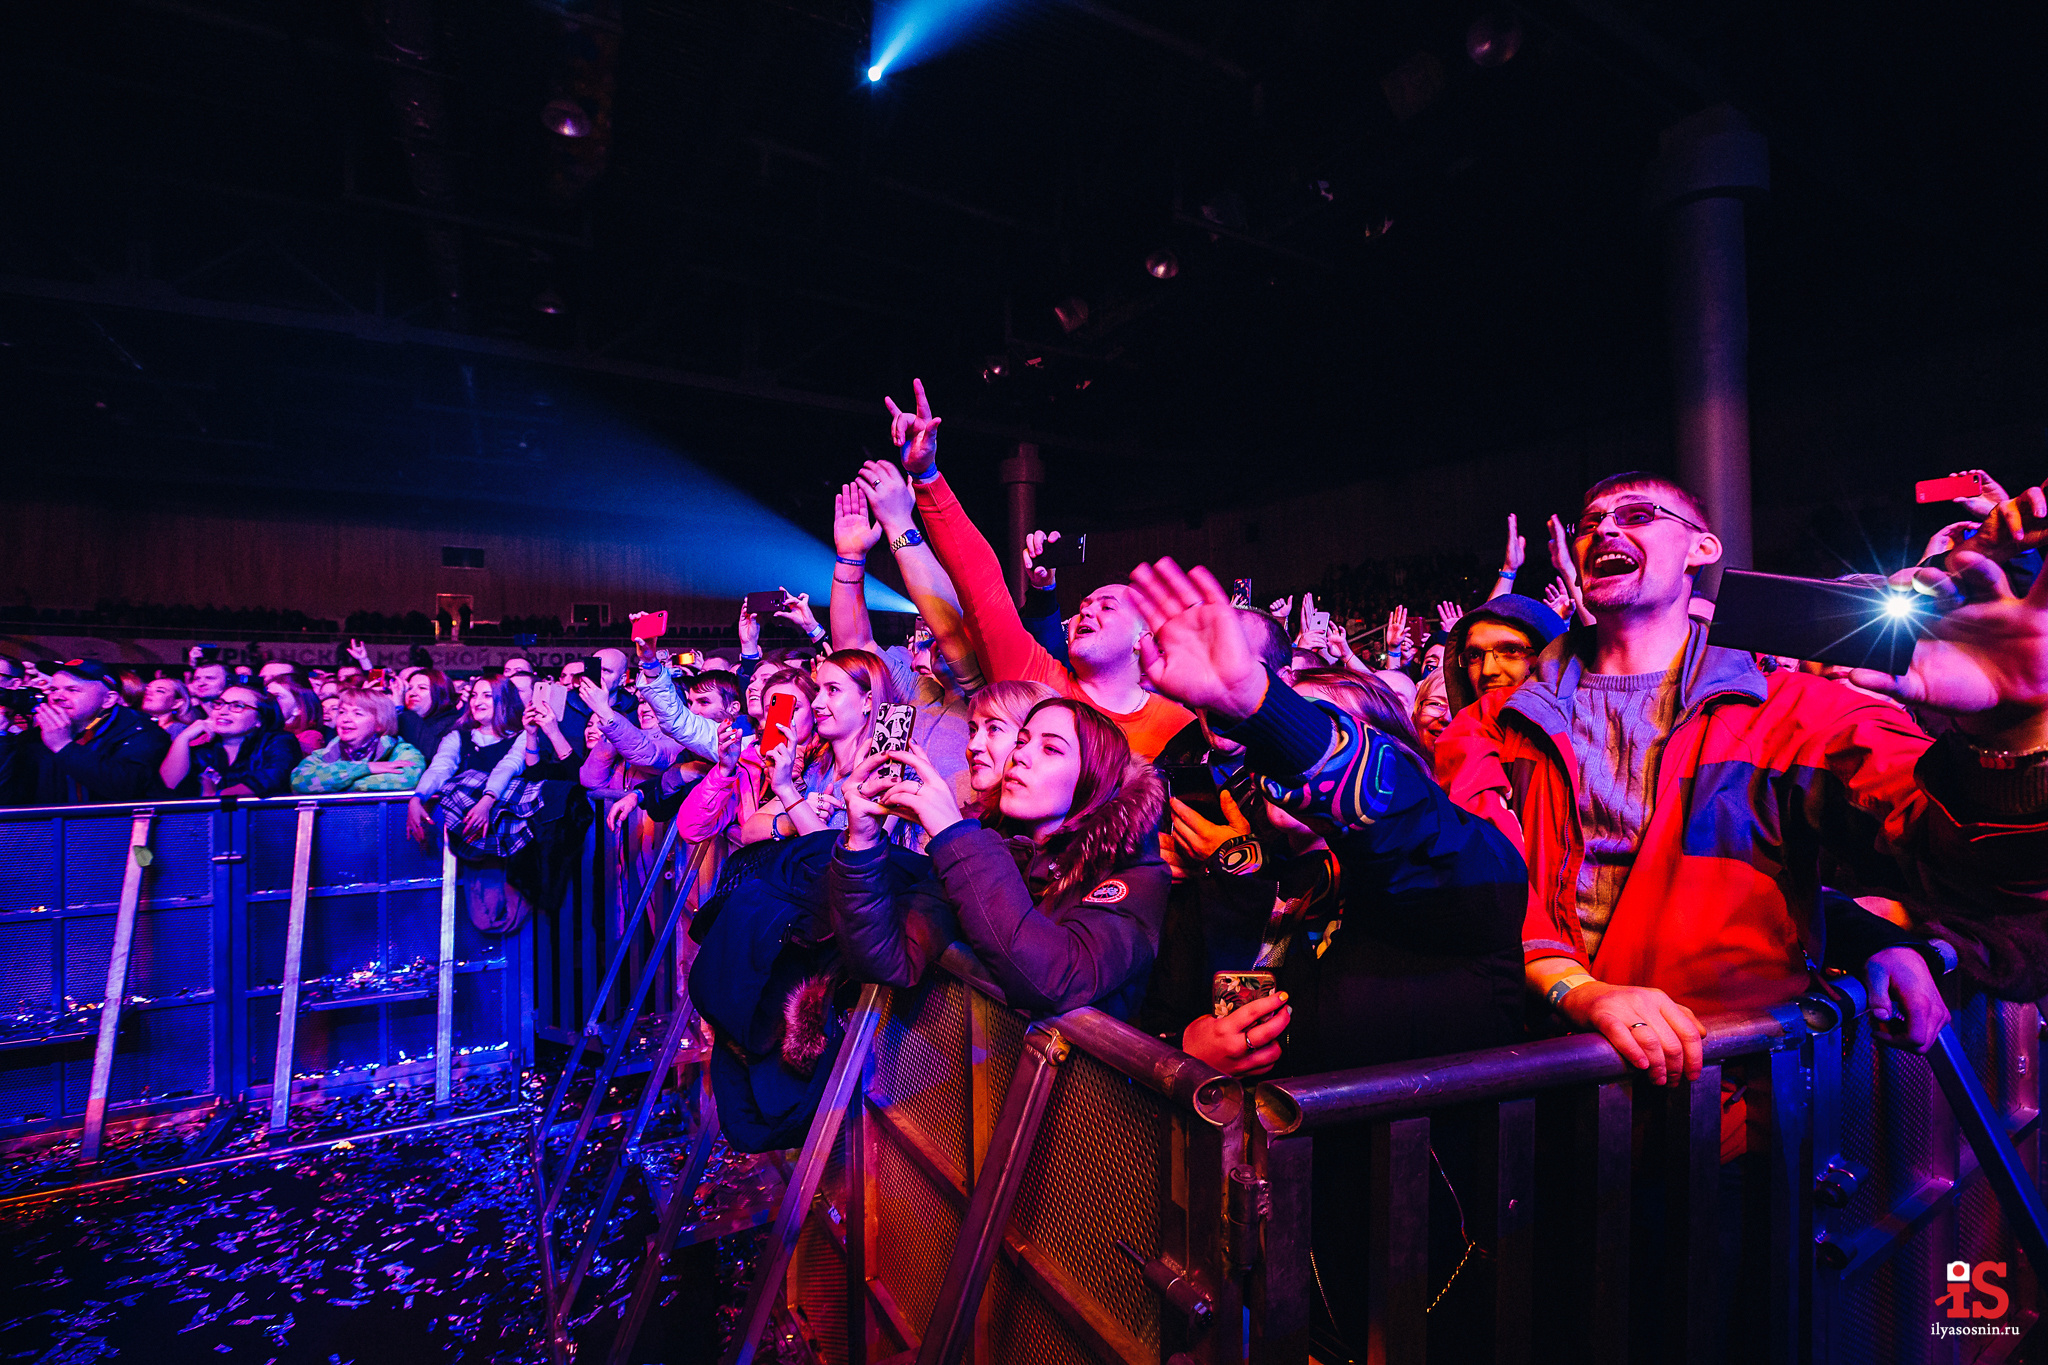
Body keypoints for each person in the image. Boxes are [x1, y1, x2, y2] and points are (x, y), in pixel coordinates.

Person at [1435, 472, 2048, 1113]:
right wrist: (1572, 988)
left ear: (1702, 549)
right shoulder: (1494, 723)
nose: (1606, 529)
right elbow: (1480, 884)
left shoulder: (1796, 713)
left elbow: (1976, 868)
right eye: (1591, 523)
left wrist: (2013, 731)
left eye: (1638, 515)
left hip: (1724, 1107)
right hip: (1540, 1096)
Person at [877, 380, 1194, 760]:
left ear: (1142, 639)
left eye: (1107, 606)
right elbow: (980, 584)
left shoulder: (1182, 728)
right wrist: (927, 476)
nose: (1086, 612)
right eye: (1084, 606)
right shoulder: (1040, 687)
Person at [830, 696, 1169, 1019]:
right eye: (1021, 741)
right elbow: (886, 961)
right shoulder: (993, 844)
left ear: (1094, 779)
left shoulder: (1136, 872)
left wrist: (955, 835)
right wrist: (862, 840)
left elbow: (1054, 980)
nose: (1019, 755)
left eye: (1051, 748)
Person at [827, 478, 974, 798]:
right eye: (931, 638)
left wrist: (899, 523)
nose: (936, 641)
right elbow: (855, 650)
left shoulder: (988, 696)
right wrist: (850, 558)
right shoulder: (920, 691)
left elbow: (952, 627)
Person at [743, 651, 896, 844]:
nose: (816, 703)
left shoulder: (888, 771)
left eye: (833, 690)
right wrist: (793, 821)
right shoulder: (816, 766)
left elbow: (853, 856)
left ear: (868, 701)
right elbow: (748, 832)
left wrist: (788, 793)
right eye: (818, 691)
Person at [0, 660, 173, 806]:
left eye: (72, 690)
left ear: (108, 699)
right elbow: (8, 798)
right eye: (53, 690)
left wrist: (63, 746)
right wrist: (2, 738)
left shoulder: (141, 732)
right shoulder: (38, 736)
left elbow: (127, 787)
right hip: (49, 832)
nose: (57, 696)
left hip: (112, 832)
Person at [407, 676, 528, 852]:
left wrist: (487, 801)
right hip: (466, 827)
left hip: (508, 827)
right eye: (474, 695)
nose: (477, 702)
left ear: (505, 700)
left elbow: (509, 765)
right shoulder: (458, 737)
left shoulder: (523, 736)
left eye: (487, 695)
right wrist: (417, 798)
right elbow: (440, 768)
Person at [159, 684, 300, 798]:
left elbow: (272, 778)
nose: (223, 711)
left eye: (237, 706)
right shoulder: (205, 750)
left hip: (263, 821)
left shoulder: (278, 741)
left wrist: (216, 796)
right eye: (220, 704)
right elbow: (168, 787)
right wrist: (183, 738)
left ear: (260, 719)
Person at [1442, 594, 1568, 715]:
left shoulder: (1577, 730)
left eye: (1511, 651)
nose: (1487, 670)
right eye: (1475, 655)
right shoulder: (1456, 730)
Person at [290, 688, 426, 793]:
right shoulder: (324, 754)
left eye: (358, 713)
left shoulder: (401, 751)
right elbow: (299, 781)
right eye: (342, 712)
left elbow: (408, 779)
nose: (345, 719)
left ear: (380, 723)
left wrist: (334, 785)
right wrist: (366, 768)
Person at [141, 676, 206, 738]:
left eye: (159, 691)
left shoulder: (179, 730)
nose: (148, 693)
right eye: (146, 689)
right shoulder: (140, 724)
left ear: (177, 703)